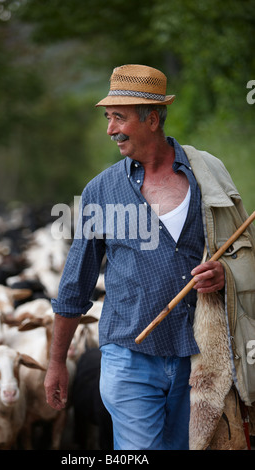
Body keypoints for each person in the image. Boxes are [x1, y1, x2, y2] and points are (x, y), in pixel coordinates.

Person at [44, 64, 255, 450]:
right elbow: (75, 285)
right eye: (109, 118)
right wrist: (57, 363)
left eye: (119, 118)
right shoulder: (101, 191)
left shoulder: (207, 175)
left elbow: (245, 252)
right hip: (129, 356)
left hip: (199, 357)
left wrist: (224, 274)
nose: (110, 130)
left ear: (152, 119)